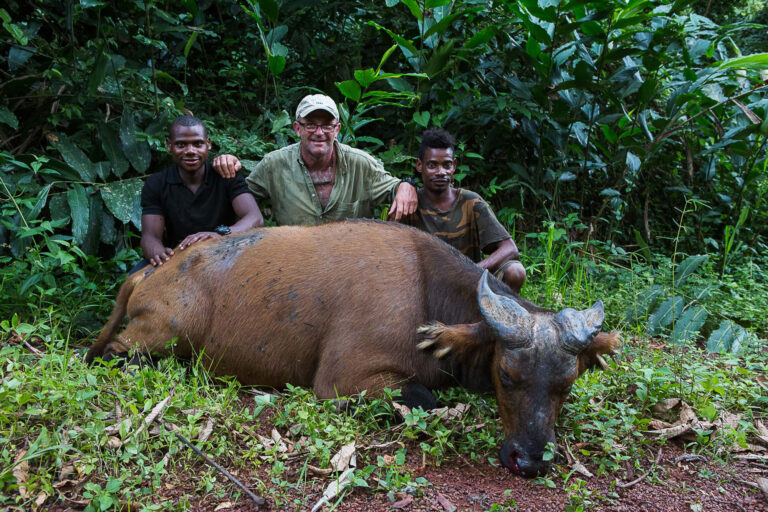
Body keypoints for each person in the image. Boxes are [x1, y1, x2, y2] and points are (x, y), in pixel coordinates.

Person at [212, 94, 417, 225]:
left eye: (326, 125)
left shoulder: (360, 163)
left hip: (351, 266)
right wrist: (227, 164)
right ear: (297, 128)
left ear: (337, 129)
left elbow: (395, 188)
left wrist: (407, 185)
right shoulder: (274, 164)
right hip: (296, 265)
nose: (319, 132)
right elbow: (237, 196)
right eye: (310, 124)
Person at [132, 115, 263, 273]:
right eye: (181, 145)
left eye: (197, 144)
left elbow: (255, 218)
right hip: (179, 255)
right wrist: (158, 254)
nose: (190, 151)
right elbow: (150, 236)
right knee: (135, 279)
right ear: (169, 145)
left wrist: (219, 234)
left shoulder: (226, 175)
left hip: (227, 251)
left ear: (208, 144)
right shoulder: (157, 183)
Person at [403, 129, 526, 293]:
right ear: (420, 165)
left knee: (515, 272)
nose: (441, 172)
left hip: (468, 286)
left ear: (454, 166)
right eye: (432, 165)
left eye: (446, 165)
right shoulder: (409, 203)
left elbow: (510, 248)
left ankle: (497, 317)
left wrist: (470, 271)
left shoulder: (471, 202)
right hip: (424, 287)